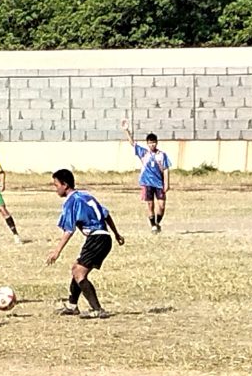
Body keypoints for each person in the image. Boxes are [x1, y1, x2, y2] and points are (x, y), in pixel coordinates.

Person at [46, 169, 125, 319]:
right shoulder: (85, 196)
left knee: (79, 273)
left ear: (65, 185)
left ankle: (97, 309)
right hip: (103, 237)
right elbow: (106, 214)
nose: (55, 188)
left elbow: (69, 229)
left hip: (97, 239)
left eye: (56, 185)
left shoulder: (71, 201)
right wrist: (116, 234)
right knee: (76, 268)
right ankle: (72, 306)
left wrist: (57, 251)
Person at [122, 119, 171, 233]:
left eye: (153, 142)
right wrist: (126, 131)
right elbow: (132, 143)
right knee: (150, 205)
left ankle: (158, 222)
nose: (152, 144)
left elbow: (166, 169)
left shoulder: (162, 155)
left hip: (159, 183)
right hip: (147, 182)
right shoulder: (144, 153)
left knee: (162, 205)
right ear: (147, 143)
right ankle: (153, 225)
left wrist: (167, 183)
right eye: (150, 142)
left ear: (156, 142)